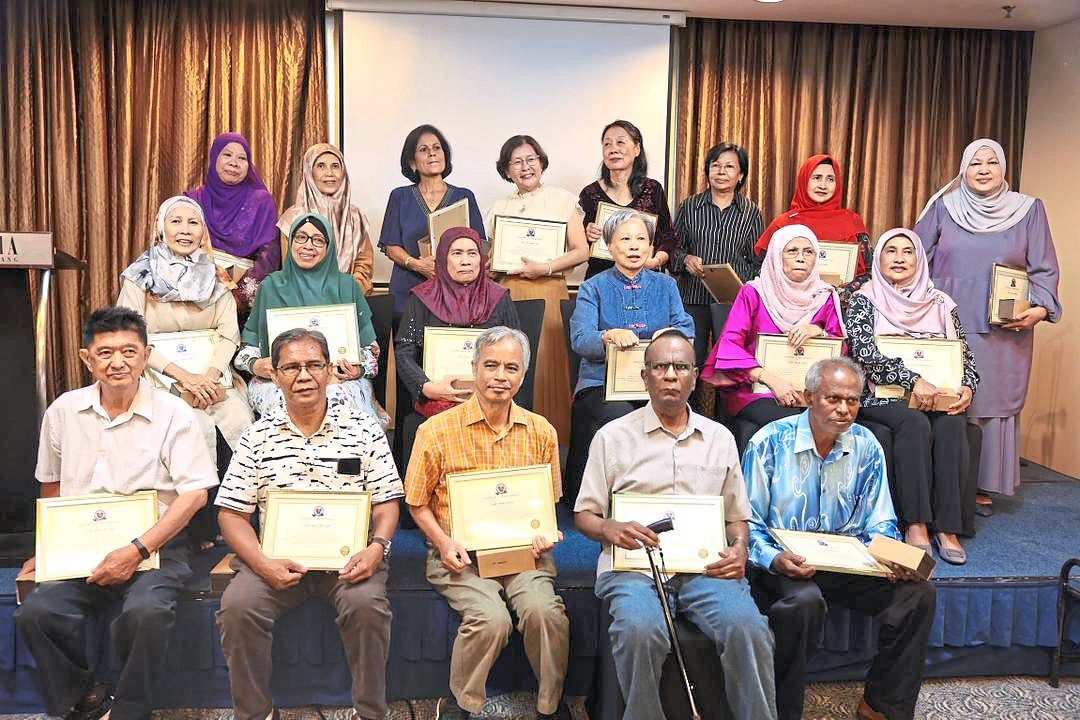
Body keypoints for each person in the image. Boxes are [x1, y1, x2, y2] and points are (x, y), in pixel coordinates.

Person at [15, 307, 218, 720]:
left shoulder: (174, 413)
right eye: (105, 352)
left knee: (146, 613)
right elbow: (51, 484)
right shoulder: (63, 411)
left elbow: (195, 494)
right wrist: (48, 548)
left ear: (146, 356)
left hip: (156, 547)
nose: (118, 362)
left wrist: (137, 550)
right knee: (36, 612)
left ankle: (129, 711)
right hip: (79, 549)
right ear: (87, 358)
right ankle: (84, 700)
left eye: (129, 351)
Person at [574, 329, 778, 720]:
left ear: (695, 375)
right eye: (661, 367)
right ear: (644, 376)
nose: (671, 375)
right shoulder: (611, 437)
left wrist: (740, 549)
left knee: (748, 629)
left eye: (680, 367)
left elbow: (736, 517)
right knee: (638, 630)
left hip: (705, 568)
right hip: (634, 567)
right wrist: (609, 529)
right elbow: (585, 514)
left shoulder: (719, 438)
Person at [215, 328, 403, 720]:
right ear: (276, 375)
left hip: (351, 561)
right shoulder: (256, 436)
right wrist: (262, 563)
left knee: (367, 604)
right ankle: (254, 712)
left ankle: (371, 712)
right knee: (238, 605)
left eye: (314, 365)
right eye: (292, 367)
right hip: (275, 560)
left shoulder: (363, 428)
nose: (304, 375)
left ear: (331, 371)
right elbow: (232, 514)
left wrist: (377, 548)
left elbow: (387, 502)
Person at [744, 358, 936, 720]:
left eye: (853, 400)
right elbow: (747, 523)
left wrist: (887, 556)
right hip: (787, 564)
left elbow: (880, 520)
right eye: (833, 399)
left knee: (918, 594)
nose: (845, 409)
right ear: (808, 397)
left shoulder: (867, 445)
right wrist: (773, 559)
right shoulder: (769, 442)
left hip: (848, 563)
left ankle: (882, 705)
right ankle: (781, 710)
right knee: (803, 604)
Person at [405, 327, 570, 720]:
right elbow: (416, 503)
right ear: (474, 368)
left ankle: (551, 703)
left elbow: (547, 504)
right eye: (491, 365)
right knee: (490, 619)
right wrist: (444, 543)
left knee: (545, 612)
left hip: (523, 555)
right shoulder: (435, 431)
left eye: (511, 367)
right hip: (460, 556)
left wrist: (545, 535)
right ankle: (463, 701)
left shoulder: (542, 430)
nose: (500, 376)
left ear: (524, 373)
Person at [914, 138, 1061, 510]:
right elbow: (913, 257)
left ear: (1004, 169)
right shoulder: (944, 207)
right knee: (950, 398)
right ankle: (947, 483)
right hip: (944, 325)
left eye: (991, 162)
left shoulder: (1029, 210)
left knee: (991, 401)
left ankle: (980, 483)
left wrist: (1040, 309)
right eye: (975, 162)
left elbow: (1045, 268)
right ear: (963, 168)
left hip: (1003, 330)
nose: (983, 169)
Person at [847, 229, 980, 564]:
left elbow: (965, 353)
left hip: (939, 395)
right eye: (891, 251)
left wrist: (967, 385)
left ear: (919, 259)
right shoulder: (864, 299)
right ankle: (916, 523)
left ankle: (947, 527)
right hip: (882, 396)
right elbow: (864, 354)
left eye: (908, 252)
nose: (900, 258)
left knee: (952, 426)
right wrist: (912, 380)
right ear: (880, 259)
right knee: (914, 423)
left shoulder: (941, 303)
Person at [566, 209, 695, 503]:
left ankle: (667, 493)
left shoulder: (666, 285)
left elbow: (687, 328)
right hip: (602, 382)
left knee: (672, 405)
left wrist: (670, 336)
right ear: (610, 245)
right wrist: (607, 336)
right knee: (622, 415)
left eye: (641, 239)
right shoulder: (592, 287)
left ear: (651, 246)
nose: (634, 246)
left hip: (658, 380)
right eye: (625, 239)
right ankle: (615, 498)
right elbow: (580, 340)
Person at [117, 195, 253, 457]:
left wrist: (207, 379)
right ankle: (195, 497)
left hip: (214, 382)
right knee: (188, 422)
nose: (185, 230)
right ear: (161, 228)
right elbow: (131, 339)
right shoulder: (139, 276)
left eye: (193, 223)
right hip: (156, 378)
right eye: (176, 221)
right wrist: (185, 378)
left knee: (237, 416)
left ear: (203, 232)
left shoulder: (217, 277)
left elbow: (228, 336)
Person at [700, 224, 845, 449]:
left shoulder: (825, 296)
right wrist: (771, 380)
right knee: (794, 425)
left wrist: (819, 331)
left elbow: (840, 351)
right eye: (792, 251)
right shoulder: (754, 292)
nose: (801, 258)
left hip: (810, 392)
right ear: (777, 256)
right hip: (756, 389)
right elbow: (730, 345)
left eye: (808, 252)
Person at [235, 212, 385, 426]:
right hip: (280, 381)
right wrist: (255, 364)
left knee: (336, 403)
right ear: (291, 242)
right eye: (301, 237)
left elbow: (371, 352)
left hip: (336, 381)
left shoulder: (347, 286)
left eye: (318, 240)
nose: (308, 246)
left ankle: (337, 461)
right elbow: (245, 352)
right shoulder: (270, 287)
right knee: (285, 403)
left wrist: (358, 369)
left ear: (329, 246)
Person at [486, 134, 589, 442]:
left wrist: (543, 267)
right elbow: (491, 260)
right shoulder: (498, 207)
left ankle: (551, 447)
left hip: (549, 291)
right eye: (516, 162)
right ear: (506, 170)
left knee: (547, 373)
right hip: (509, 295)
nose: (525, 167)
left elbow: (581, 251)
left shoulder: (563, 199)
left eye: (531, 159)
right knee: (512, 368)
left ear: (542, 163)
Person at [395, 226, 519, 418]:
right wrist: (427, 387)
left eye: (472, 253)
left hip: (491, 391)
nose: (465, 261)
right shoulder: (422, 298)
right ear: (444, 258)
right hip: (437, 394)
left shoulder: (498, 297)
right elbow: (405, 352)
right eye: (457, 253)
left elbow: (515, 349)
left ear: (481, 258)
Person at [669, 141, 765, 369]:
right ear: (708, 170)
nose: (721, 172)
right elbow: (672, 250)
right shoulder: (690, 206)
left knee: (729, 365)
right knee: (690, 361)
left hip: (734, 301)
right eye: (716, 165)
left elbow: (759, 262)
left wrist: (744, 289)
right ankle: (688, 406)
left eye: (729, 167)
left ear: (741, 175)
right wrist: (685, 259)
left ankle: (726, 407)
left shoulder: (751, 212)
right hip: (693, 298)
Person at [378, 124, 485, 326]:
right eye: (423, 150)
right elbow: (391, 246)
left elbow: (479, 243)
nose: (432, 154)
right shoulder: (400, 196)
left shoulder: (464, 196)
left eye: (437, 148)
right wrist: (417, 264)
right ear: (412, 162)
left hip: (456, 292)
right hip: (408, 292)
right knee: (408, 354)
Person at [754, 154, 872, 299]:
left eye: (830, 179)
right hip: (790, 303)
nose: (823, 185)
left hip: (842, 304)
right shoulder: (784, 223)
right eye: (816, 178)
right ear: (804, 180)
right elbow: (764, 270)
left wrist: (843, 292)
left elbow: (869, 272)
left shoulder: (853, 221)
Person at [185, 132, 280, 309]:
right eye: (227, 155)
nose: (234, 163)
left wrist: (239, 298)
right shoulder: (192, 201)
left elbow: (270, 255)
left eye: (242, 158)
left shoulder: (261, 201)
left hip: (244, 302)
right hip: (197, 295)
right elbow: (180, 249)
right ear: (214, 158)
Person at [580, 120, 676, 278]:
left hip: (643, 280)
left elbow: (668, 237)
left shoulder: (652, 190)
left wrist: (656, 260)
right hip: (601, 281)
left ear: (637, 149)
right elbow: (577, 246)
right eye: (607, 144)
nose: (613, 149)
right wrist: (586, 234)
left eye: (620, 142)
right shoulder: (589, 193)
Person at [278, 142, 375, 294]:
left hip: (347, 300)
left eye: (335, 166)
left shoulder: (355, 217)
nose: (329, 172)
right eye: (321, 166)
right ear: (309, 172)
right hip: (303, 300)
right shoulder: (292, 218)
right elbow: (289, 267)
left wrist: (347, 290)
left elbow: (364, 265)